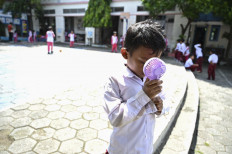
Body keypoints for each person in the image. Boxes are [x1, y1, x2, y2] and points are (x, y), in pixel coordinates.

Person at [103, 19, 169, 154]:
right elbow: (115, 118)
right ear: (125, 54)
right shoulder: (115, 81)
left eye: (154, 63)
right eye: (144, 63)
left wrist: (160, 107)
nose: (149, 70)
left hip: (145, 149)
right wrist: (144, 96)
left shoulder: (153, 78)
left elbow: (166, 100)